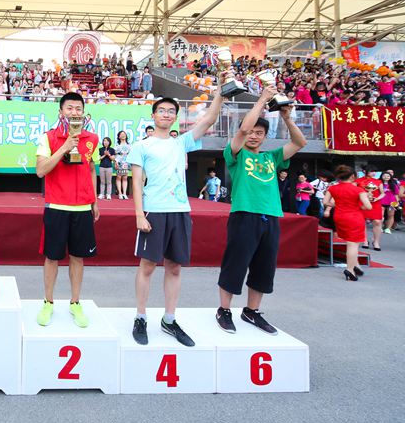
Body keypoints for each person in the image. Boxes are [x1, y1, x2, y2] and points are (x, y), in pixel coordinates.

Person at [129, 89, 224, 347]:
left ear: (175, 117)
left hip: (180, 211)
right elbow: (136, 182)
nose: (166, 114)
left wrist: (220, 94)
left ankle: (169, 319)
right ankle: (140, 317)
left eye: (171, 111)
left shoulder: (181, 142)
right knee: (147, 266)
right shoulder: (141, 146)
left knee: (174, 267)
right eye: (161, 110)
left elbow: (209, 119)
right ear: (153, 115)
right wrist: (139, 214)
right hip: (154, 211)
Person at [215, 85, 306, 336]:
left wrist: (287, 118)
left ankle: (251, 311)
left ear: (265, 136)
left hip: (271, 217)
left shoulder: (272, 157)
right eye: (251, 132)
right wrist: (263, 99)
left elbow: (299, 142)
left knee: (264, 267)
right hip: (244, 215)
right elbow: (243, 130)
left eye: (259, 133)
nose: (253, 136)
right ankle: (224, 310)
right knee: (236, 263)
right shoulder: (235, 154)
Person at [35, 92, 100, 327]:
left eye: (78, 108)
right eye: (69, 108)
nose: (74, 112)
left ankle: (75, 302)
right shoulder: (49, 137)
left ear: (84, 113)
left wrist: (94, 201)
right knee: (52, 257)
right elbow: (40, 170)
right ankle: (48, 302)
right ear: (61, 112)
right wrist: (64, 147)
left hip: (82, 207)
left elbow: (90, 170)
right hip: (57, 206)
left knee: (77, 257)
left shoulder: (92, 138)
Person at [323, 165, 372, 281]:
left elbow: (325, 202)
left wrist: (339, 205)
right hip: (354, 217)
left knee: (349, 242)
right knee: (353, 244)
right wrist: (361, 204)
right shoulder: (359, 190)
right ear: (352, 176)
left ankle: (356, 265)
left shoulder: (332, 188)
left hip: (339, 216)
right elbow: (368, 206)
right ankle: (350, 270)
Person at [356, 165, 384, 251]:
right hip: (362, 203)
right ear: (364, 171)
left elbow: (382, 193)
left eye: (375, 171)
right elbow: (355, 192)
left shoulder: (378, 181)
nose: (374, 173)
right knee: (362, 221)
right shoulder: (358, 181)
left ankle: (376, 241)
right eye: (371, 171)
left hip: (375, 203)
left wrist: (377, 199)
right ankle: (364, 240)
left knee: (377, 222)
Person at [114, 131, 130, 200]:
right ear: (119, 136)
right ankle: (120, 193)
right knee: (119, 177)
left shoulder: (129, 145)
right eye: (121, 134)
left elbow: (130, 154)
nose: (123, 135)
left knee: (125, 178)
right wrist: (115, 162)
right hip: (119, 162)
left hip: (126, 162)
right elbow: (114, 154)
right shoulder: (117, 145)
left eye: (124, 134)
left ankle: (124, 193)